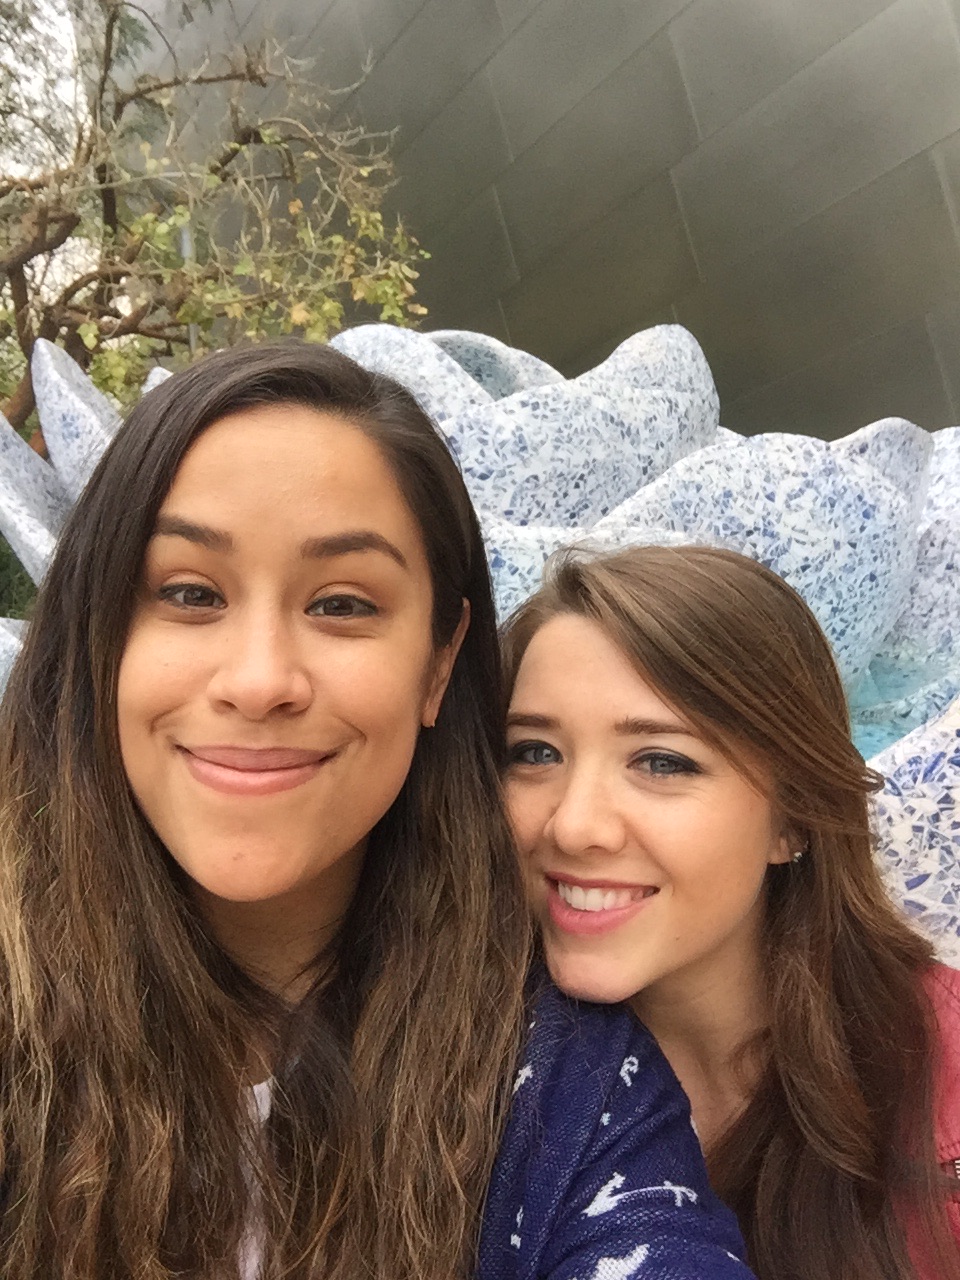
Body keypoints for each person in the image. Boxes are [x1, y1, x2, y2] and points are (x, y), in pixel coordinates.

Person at [0, 342, 753, 1279]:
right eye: (189, 593)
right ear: (94, 634)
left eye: (342, 604)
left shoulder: (567, 1087)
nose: (260, 680)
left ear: (439, 662)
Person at [502, 544, 960, 1280]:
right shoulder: (460, 1048)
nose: (574, 825)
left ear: (794, 818)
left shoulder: (940, 1076)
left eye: (661, 761)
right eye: (535, 753)